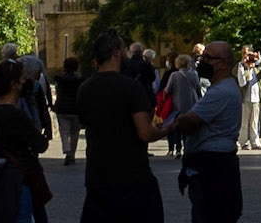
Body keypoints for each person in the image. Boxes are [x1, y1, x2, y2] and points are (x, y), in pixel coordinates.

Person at [77, 30, 163, 223]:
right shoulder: (131, 87)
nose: (126, 55)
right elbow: (145, 132)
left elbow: (85, 121)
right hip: (131, 177)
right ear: (115, 52)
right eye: (124, 50)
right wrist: (168, 129)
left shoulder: (85, 88)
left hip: (98, 176)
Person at [160, 40, 243, 223]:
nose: (202, 61)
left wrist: (172, 124)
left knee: (210, 214)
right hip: (217, 163)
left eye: (208, 58)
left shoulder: (221, 92)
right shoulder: (224, 87)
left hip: (214, 166)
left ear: (222, 63)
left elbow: (189, 120)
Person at [0, 59, 52, 223]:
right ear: (14, 84)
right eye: (23, 79)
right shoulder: (14, 114)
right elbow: (41, 143)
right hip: (19, 180)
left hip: (4, 177)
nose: (27, 82)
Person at [54, 55, 83, 165]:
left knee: (64, 131)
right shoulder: (80, 80)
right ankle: (72, 154)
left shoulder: (60, 79)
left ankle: (67, 149)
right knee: (75, 133)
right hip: (76, 109)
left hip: (62, 108)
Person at [126, 42, 158, 111]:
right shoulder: (146, 65)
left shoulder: (126, 65)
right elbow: (152, 78)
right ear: (141, 51)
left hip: (130, 97)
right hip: (146, 97)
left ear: (132, 52)